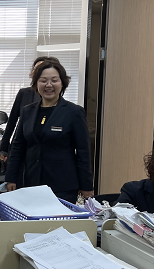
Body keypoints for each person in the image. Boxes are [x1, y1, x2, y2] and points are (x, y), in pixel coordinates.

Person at [5, 59, 93, 204]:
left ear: (62, 83)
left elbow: (83, 152)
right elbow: (17, 147)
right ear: (36, 84)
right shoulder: (27, 111)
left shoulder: (74, 112)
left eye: (54, 80)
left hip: (62, 185)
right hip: (31, 182)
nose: (49, 85)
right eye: (43, 80)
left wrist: (86, 185)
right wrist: (11, 177)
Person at [0, 56, 57, 187]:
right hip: (21, 145)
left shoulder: (54, 96)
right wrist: (4, 148)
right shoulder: (24, 93)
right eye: (36, 69)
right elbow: (12, 120)